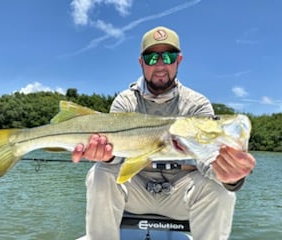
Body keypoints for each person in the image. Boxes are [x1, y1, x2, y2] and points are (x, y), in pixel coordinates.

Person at [72, 26, 256, 240]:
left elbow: (208, 164)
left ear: (179, 60)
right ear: (141, 63)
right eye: (151, 58)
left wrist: (230, 178)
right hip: (135, 192)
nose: (160, 65)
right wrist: (108, 156)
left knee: (221, 190)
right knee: (100, 173)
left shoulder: (197, 105)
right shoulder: (125, 101)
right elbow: (117, 160)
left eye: (168, 56)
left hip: (181, 195)